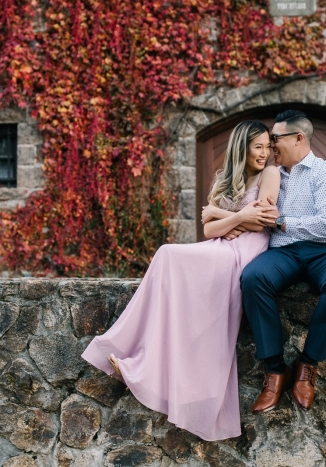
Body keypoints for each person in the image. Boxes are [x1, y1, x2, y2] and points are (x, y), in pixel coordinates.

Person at [81, 120, 281, 441]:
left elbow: (261, 221)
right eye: (258, 146)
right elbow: (210, 231)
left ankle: (140, 359)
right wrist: (236, 218)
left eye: (268, 146)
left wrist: (223, 216)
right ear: (242, 148)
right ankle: (135, 356)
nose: (265, 152)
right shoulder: (225, 180)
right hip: (221, 246)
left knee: (169, 255)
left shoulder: (270, 173)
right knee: (167, 257)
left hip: (246, 251)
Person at [238, 110, 326, 414]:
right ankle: (275, 370)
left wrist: (282, 221)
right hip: (285, 252)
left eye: (275, 139)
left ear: (298, 138)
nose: (270, 145)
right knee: (253, 278)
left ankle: (308, 364)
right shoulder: (271, 175)